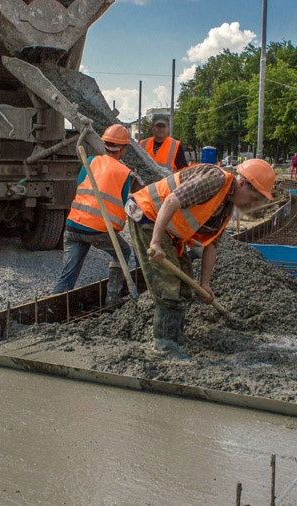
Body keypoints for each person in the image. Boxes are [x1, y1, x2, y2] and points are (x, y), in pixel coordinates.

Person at [125, 159, 276, 360]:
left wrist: (205, 284)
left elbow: (212, 245)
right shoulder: (214, 180)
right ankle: (163, 345)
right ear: (242, 184)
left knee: (186, 283)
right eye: (254, 197)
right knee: (168, 285)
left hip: (171, 233)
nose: (253, 204)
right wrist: (156, 242)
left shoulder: (225, 208)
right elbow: (171, 201)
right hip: (147, 215)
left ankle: (175, 336)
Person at [53, 125, 139, 305]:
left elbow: (82, 188)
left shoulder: (90, 161)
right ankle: (113, 299)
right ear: (123, 148)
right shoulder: (124, 173)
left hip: (73, 225)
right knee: (123, 251)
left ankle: (55, 305)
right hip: (99, 229)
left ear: (105, 144)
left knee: (69, 272)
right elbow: (123, 203)